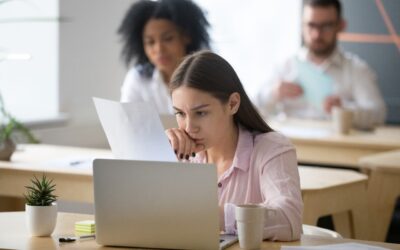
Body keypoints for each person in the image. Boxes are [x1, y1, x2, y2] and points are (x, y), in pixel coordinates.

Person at [165, 51, 302, 241]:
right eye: (180, 113)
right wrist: (157, 154)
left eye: (201, 113)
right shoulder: (178, 154)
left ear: (232, 104)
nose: (189, 127)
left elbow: (289, 219)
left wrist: (211, 216)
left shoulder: (271, 148)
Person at [256, 0, 386, 130]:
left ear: (341, 25)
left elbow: (378, 114)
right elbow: (251, 110)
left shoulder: (356, 69)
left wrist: (345, 109)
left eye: (326, 26)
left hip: (336, 148)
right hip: (290, 144)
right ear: (302, 26)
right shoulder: (285, 67)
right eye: (311, 25)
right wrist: (274, 93)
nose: (317, 34)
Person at [118, 0, 210, 114]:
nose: (159, 49)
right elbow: (128, 124)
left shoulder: (208, 77)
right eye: (150, 42)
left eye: (168, 39)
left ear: (186, 36)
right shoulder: (138, 78)